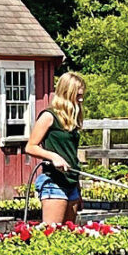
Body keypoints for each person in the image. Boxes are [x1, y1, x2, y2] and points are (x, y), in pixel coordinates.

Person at [25, 72, 85, 224]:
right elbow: (30, 147)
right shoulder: (48, 116)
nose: (81, 99)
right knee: (53, 235)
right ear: (66, 93)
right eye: (77, 96)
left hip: (71, 183)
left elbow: (71, 155)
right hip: (54, 182)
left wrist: (78, 189)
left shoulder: (72, 120)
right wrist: (53, 156)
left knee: (68, 235)